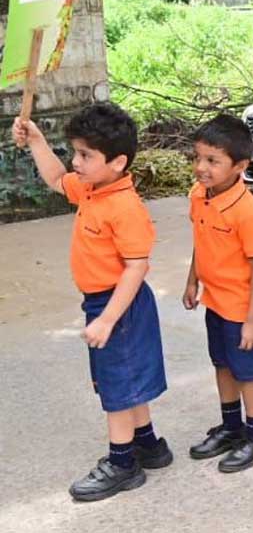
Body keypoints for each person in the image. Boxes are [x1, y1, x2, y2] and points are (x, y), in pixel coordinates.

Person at [12, 104, 170, 501]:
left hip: (120, 305)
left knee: (116, 385)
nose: (74, 162)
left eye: (85, 155)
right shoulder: (91, 187)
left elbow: (136, 268)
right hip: (103, 303)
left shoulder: (125, 207)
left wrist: (107, 320)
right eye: (75, 152)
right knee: (126, 377)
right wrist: (36, 140)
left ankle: (122, 464)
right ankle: (148, 444)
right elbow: (53, 177)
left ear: (117, 162)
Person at [182, 115, 253, 472]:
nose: (201, 167)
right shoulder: (198, 195)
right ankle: (232, 426)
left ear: (239, 166)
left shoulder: (247, 212)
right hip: (216, 303)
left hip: (244, 310)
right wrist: (192, 281)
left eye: (212, 161)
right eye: (198, 157)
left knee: (249, 374)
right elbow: (201, 243)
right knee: (222, 365)